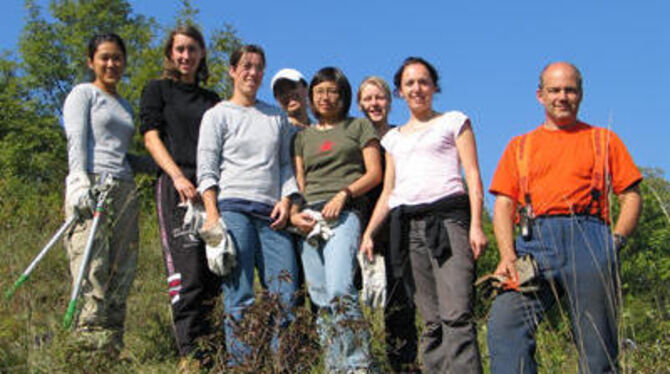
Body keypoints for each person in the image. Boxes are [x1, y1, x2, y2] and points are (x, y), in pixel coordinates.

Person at [486, 62, 643, 374]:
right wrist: (507, 256)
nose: (562, 96)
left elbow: (631, 196)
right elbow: (504, 205)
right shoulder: (520, 146)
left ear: (580, 95)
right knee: (505, 324)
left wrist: (614, 243)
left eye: (569, 90)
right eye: (554, 90)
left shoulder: (604, 139)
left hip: (590, 237)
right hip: (534, 243)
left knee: (597, 344)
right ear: (540, 95)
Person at [360, 57, 486, 374]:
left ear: (434, 86)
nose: (417, 89)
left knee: (456, 313)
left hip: (448, 221)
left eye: (423, 82)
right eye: (410, 83)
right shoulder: (392, 139)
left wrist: (476, 225)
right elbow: (389, 192)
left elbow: (472, 173)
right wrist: (369, 233)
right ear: (400, 92)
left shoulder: (454, 121)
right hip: (408, 227)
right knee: (431, 320)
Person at [197, 44, 299, 366]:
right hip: (233, 210)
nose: (252, 72)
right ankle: (242, 365)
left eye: (258, 67)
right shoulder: (217, 115)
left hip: (271, 214)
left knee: (285, 292)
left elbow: (285, 165)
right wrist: (213, 216)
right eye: (246, 66)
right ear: (232, 70)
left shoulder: (275, 116)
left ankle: (281, 362)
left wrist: (286, 199)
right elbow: (207, 168)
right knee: (239, 294)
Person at [139, 25, 221, 366]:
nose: (185, 56)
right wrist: (176, 176)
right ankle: (190, 357)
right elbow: (150, 136)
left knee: (214, 273)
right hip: (176, 189)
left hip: (211, 190)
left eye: (192, 49)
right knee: (186, 274)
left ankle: (216, 356)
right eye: (179, 50)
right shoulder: (157, 90)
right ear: (171, 54)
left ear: (202, 54)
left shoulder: (213, 100)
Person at [290, 67, 381, 372]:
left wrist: (344, 194)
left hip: (344, 213)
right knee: (319, 296)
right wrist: (295, 214)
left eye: (332, 91)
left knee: (341, 289)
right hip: (309, 217)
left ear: (342, 94)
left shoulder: (358, 127)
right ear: (311, 98)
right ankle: (335, 367)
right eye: (319, 92)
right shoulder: (303, 137)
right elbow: (300, 183)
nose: (325, 98)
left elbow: (374, 173)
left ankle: (358, 365)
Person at [62, 33, 138, 354]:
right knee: (91, 263)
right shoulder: (83, 94)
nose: (111, 63)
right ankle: (87, 345)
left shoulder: (124, 105)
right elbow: (76, 140)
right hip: (91, 185)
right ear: (90, 61)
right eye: (104, 57)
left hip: (124, 188)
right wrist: (78, 181)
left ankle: (111, 346)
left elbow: (122, 153)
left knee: (122, 267)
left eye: (117, 57)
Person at [357, 76, 418, 372]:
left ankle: (403, 366)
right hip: (360, 230)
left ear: (390, 101)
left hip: (398, 229)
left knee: (400, 304)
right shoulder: (354, 140)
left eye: (379, 98)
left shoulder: (403, 137)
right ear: (359, 104)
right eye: (367, 99)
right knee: (357, 303)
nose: (374, 104)